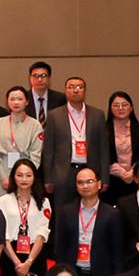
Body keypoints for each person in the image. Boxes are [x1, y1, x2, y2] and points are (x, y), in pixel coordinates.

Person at [41, 77, 113, 214]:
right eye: (71, 87)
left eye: (79, 87)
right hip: (63, 173)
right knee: (62, 214)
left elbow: (104, 149)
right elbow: (49, 149)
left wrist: (104, 177)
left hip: (90, 170)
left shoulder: (97, 115)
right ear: (66, 90)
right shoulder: (54, 115)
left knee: (90, 212)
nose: (75, 90)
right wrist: (48, 178)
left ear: (85, 91)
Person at [55, 166, 124, 276]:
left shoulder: (112, 214)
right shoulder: (66, 212)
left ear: (99, 184)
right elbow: (60, 247)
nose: (85, 186)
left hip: (102, 275)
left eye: (89, 181)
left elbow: (117, 251)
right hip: (73, 274)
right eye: (80, 182)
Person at [0, 160, 52, 276]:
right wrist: (17, 263)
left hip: (34, 255)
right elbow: (4, 235)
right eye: (19, 175)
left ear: (34, 177)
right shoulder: (4, 201)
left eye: (28, 175)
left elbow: (42, 233)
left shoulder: (44, 201)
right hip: (10, 256)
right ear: (13, 177)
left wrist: (28, 262)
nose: (24, 179)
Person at [0, 86, 44, 192]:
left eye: (20, 99)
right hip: (3, 171)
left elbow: (36, 154)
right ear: (7, 101)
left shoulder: (35, 125)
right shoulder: (0, 123)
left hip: (26, 173)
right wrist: (3, 177)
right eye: (12, 99)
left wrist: (26, 176)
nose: (16, 102)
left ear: (26, 102)